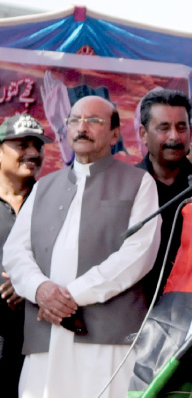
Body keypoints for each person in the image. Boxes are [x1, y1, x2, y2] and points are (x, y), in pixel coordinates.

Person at [3, 96, 160, 398]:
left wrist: (69, 296)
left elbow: (137, 255)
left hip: (106, 338)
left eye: (94, 121)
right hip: (45, 337)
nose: (82, 127)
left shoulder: (139, 183)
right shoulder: (44, 187)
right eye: (74, 120)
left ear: (115, 134)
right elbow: (15, 252)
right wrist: (41, 290)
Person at [135, 89, 192, 301]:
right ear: (143, 134)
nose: (174, 136)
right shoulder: (126, 186)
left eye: (181, 127)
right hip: (137, 310)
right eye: (164, 128)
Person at [0, 114, 52, 398]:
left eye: (38, 146)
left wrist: (32, 285)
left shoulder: (55, 203)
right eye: (22, 144)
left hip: (41, 345)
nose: (33, 153)